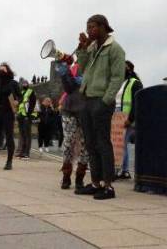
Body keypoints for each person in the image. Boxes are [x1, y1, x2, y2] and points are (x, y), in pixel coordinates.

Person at [75, 14, 125, 200]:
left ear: (104, 27)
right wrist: (82, 49)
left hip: (101, 101)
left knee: (103, 143)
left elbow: (117, 77)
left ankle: (108, 186)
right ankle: (96, 182)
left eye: (93, 27)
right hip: (87, 98)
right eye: (88, 27)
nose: (89, 30)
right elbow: (81, 69)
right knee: (90, 143)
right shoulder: (92, 47)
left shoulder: (115, 49)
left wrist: (106, 100)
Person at [55, 61, 89, 190]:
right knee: (68, 142)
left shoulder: (95, 66)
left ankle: (80, 177)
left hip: (86, 110)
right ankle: (66, 176)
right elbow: (68, 88)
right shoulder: (74, 67)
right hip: (69, 110)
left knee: (85, 144)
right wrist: (65, 74)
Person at [115, 61, 143, 180]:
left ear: (130, 69)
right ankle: (124, 170)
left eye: (124, 67)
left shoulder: (135, 83)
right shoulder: (121, 83)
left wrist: (131, 119)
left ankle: (121, 170)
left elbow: (137, 102)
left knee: (121, 145)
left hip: (126, 117)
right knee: (120, 145)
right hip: (117, 116)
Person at [16, 79, 37, 159]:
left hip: (27, 116)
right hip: (21, 115)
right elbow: (20, 104)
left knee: (27, 135)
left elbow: (32, 104)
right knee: (22, 134)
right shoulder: (21, 92)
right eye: (23, 83)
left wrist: (28, 115)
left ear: (28, 84)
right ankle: (22, 152)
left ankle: (26, 153)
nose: (24, 84)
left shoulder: (31, 91)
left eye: (25, 83)